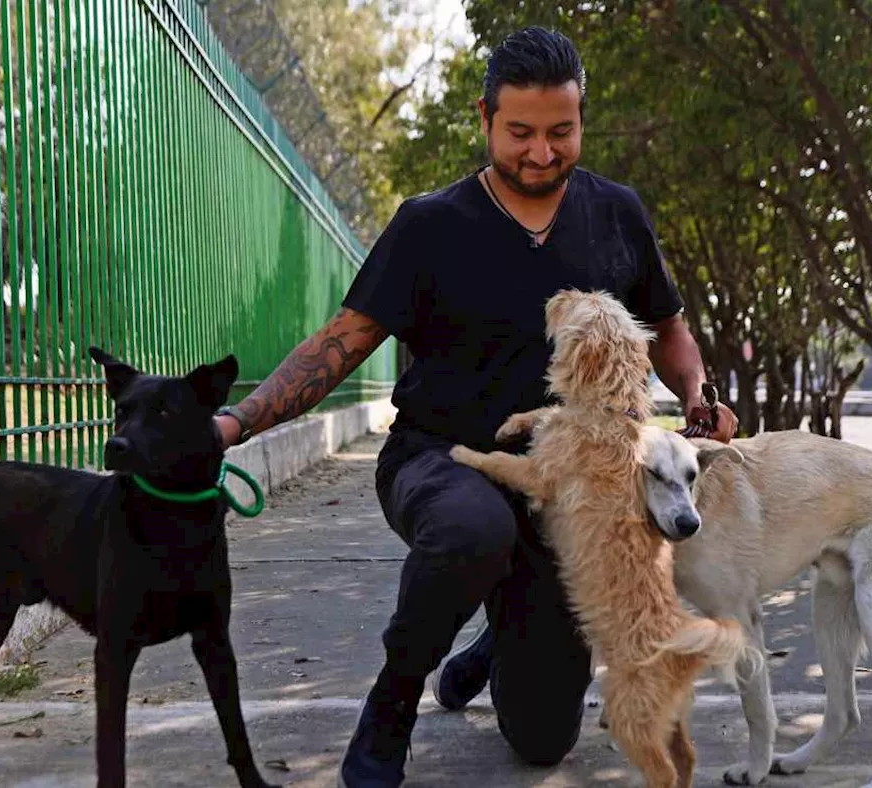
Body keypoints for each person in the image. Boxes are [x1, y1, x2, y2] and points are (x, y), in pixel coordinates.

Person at [213, 26, 738, 788]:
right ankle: (391, 705)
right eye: (520, 132)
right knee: (472, 529)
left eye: (561, 132)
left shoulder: (617, 214)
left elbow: (670, 331)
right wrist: (233, 424)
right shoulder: (431, 225)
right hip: (439, 460)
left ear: (581, 120)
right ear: (485, 117)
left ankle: (495, 641)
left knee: (543, 739)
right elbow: (343, 341)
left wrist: (698, 394)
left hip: (569, 488)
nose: (541, 152)